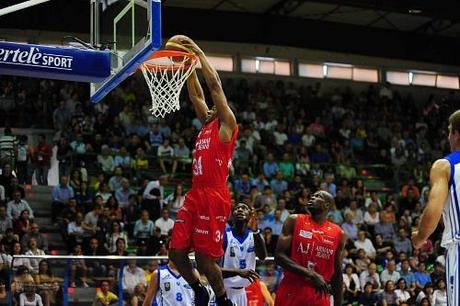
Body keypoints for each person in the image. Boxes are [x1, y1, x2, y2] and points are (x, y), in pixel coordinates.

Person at [168, 36, 239, 306]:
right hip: (196, 194)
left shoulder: (226, 126)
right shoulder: (206, 125)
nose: (208, 108)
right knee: (176, 253)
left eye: (214, 107)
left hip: (214, 197)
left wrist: (198, 53)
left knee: (205, 260)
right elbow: (196, 94)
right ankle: (198, 289)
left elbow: (213, 87)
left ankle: (222, 300)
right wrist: (188, 67)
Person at [412, 109, 460, 306]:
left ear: (456, 134)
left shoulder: (445, 166)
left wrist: (418, 237)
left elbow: (433, 212)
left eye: (449, 131)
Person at [274, 190, 346, 306]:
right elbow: (279, 257)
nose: (312, 197)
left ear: (327, 205)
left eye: (318, 196)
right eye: (312, 195)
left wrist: (338, 303)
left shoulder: (338, 233)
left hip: (319, 293)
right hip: (291, 287)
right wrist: (311, 274)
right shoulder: (294, 220)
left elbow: (337, 273)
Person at [222, 203, 267, 306]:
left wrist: (256, 231)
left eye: (244, 208)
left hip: (242, 292)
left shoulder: (254, 235)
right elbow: (213, 268)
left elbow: (262, 257)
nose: (240, 210)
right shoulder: (224, 234)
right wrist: (238, 272)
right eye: (237, 208)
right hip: (224, 291)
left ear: (250, 215)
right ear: (232, 215)